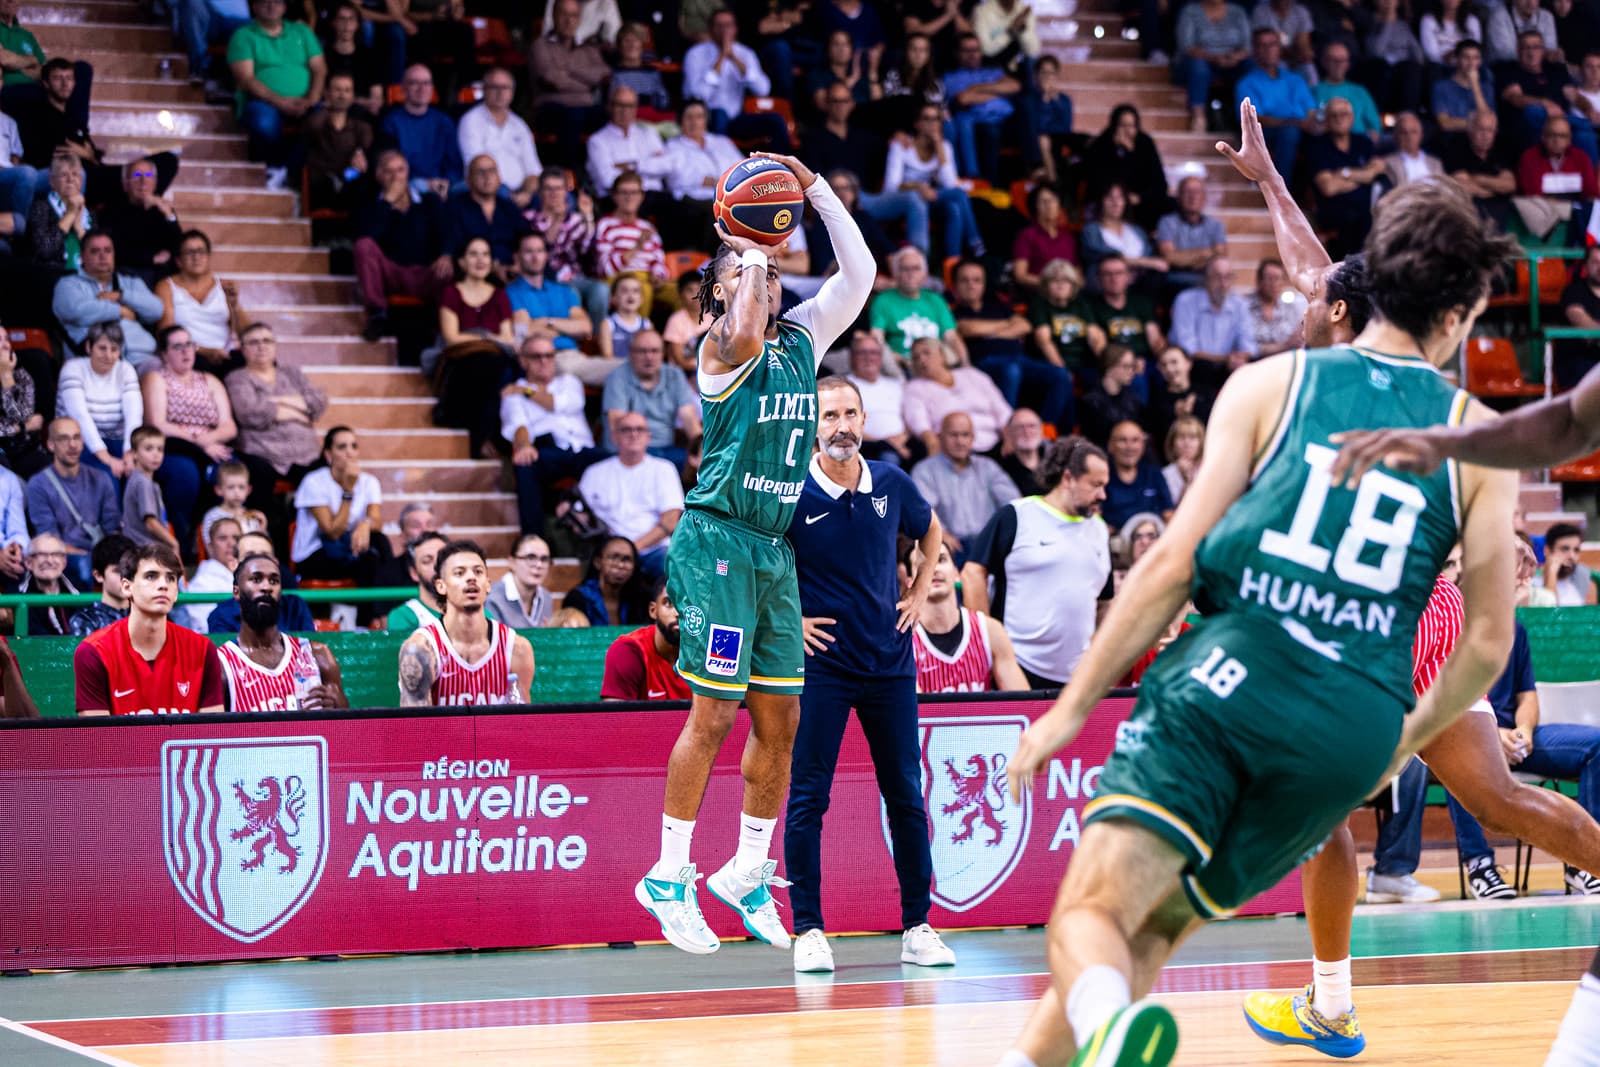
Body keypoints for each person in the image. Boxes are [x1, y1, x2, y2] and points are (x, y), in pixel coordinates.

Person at [995, 177, 1519, 1067]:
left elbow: (1167, 565)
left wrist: (1070, 706)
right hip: (1353, 728)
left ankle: (1113, 1024)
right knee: (1150, 932)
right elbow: (1489, 644)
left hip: (1235, 682)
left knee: (1092, 913)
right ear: (1464, 310)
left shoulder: (1272, 383)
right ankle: (1093, 1028)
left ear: (1370, 282)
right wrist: (1399, 743)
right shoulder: (1483, 438)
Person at [640, 151, 872, 957]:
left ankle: (744, 870)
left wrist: (813, 188)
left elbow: (861, 270)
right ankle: (668, 874)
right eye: (746, 278)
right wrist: (751, 249)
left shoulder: (802, 337)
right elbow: (740, 321)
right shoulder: (718, 348)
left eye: (771, 280)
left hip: (773, 550)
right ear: (719, 289)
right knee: (715, 712)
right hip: (717, 544)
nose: (765, 289)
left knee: (783, 719)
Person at [784, 374, 951, 974]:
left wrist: (917, 585)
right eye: (830, 416)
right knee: (809, 797)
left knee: (906, 794)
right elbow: (755, 563)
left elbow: (930, 530)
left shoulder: (894, 482)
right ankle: (807, 930)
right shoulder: (788, 490)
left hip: (889, 662)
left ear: (864, 419)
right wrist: (789, 621)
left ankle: (918, 926)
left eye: (850, 414)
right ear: (811, 425)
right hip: (821, 667)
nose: (842, 427)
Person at [1447, 611, 1600, 896]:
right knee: (1458, 756)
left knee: (1596, 745)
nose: (1525, 573)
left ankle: (1584, 864)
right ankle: (1480, 866)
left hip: (1516, 736)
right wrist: (1492, 735)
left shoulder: (1515, 629)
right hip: (1470, 733)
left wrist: (1523, 731)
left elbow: (1527, 695)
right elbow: (1445, 701)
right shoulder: (1447, 626)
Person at [960, 435, 1111, 691]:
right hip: (1016, 666)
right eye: (1095, 485)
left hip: (1077, 676)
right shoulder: (1018, 515)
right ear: (1068, 478)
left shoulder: (1099, 529)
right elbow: (973, 573)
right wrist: (988, 646)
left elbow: (1105, 601)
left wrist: (1097, 655)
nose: (1103, 495)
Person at [74, 543, 226, 716]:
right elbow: (98, 738)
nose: (163, 585)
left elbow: (211, 731)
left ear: (176, 592)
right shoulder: (94, 652)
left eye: (170, 578)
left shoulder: (203, 650)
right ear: (126, 587)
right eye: (151, 576)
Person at [141, 326, 248, 553]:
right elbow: (157, 422)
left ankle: (235, 542)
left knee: (241, 472)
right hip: (174, 444)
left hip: (212, 444)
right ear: (164, 353)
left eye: (189, 345)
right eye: (177, 347)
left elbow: (229, 426)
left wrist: (208, 440)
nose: (186, 352)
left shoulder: (209, 380)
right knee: (185, 475)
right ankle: (184, 540)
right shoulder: (157, 378)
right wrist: (199, 442)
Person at [398, 539, 535, 706]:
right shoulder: (421, 649)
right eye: (459, 573)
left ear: (488, 585)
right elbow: (416, 727)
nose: (471, 578)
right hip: (441, 733)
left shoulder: (516, 648)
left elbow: (522, 723)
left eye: (478, 572)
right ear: (441, 586)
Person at [503, 334, 609, 535]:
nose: (544, 361)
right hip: (550, 451)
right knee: (525, 464)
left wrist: (526, 391)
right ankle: (533, 540)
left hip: (583, 450)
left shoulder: (569, 381)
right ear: (523, 361)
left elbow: (557, 404)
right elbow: (518, 425)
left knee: (614, 461)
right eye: (537, 356)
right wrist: (525, 445)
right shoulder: (512, 395)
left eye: (549, 355)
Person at [219, 550, 347, 711]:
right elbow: (213, 733)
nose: (266, 587)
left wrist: (335, 707)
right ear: (236, 592)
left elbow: (346, 725)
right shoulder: (222, 665)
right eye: (256, 579)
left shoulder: (318, 655)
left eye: (274, 581)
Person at [951, 259, 1070, 431]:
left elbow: (1025, 326)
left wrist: (986, 331)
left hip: (1020, 359)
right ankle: (1010, 430)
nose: (971, 285)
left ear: (984, 284)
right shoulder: (952, 312)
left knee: (1060, 374)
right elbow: (966, 328)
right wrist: (1006, 325)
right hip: (983, 364)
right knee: (1011, 370)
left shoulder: (997, 307)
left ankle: (1046, 430)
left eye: (977, 280)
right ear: (955, 285)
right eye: (965, 280)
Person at [431, 235, 516, 456]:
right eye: (474, 254)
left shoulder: (499, 295)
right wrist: (487, 337)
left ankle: (480, 437)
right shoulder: (451, 292)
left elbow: (507, 338)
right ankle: (483, 439)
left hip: (494, 358)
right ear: (461, 261)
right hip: (461, 358)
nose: (481, 260)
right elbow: (452, 337)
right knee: (482, 368)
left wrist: (485, 340)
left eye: (486, 254)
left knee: (494, 368)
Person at [228, 0, 326, 188]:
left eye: (277, 2)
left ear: (284, 7)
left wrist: (312, 99)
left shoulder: (302, 31)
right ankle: (273, 165)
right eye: (265, 1)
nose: (271, 6)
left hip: (305, 101)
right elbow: (246, 79)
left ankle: (288, 170)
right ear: (254, 6)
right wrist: (281, 102)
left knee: (324, 120)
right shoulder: (243, 36)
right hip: (263, 102)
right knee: (264, 123)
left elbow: (320, 69)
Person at [911, 539, 1027, 693]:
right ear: (909, 582)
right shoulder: (904, 642)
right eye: (923, 565)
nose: (933, 569)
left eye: (941, 559)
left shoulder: (991, 631)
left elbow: (1024, 704)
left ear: (956, 573)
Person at [576, 411, 684, 574]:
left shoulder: (664, 469)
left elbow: (670, 521)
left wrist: (631, 550)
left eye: (639, 429)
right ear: (614, 437)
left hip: (653, 551)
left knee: (670, 562)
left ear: (648, 436)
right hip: (607, 553)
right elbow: (579, 516)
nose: (634, 434)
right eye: (626, 429)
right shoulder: (594, 473)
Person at [291, 426, 394, 598]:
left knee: (380, 541)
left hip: (351, 547)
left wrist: (365, 524)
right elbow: (332, 532)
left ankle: (384, 612)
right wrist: (348, 491)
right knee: (369, 561)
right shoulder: (313, 482)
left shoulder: (370, 482)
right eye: (342, 447)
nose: (350, 452)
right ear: (328, 454)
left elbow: (376, 520)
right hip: (316, 553)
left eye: (354, 446)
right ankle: (365, 621)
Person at [225, 322, 328, 488]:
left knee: (327, 476)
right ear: (243, 349)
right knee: (258, 473)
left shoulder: (291, 373)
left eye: (267, 341)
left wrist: (278, 401)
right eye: (254, 342)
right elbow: (248, 412)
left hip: (307, 453)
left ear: (274, 346)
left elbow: (317, 402)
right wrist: (297, 411)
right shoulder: (238, 378)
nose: (261, 347)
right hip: (263, 453)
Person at [911, 411, 1019, 564]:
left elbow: (1013, 502)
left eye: (965, 435)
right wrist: (941, 533)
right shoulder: (925, 471)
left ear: (973, 438)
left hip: (988, 542)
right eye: (954, 435)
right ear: (940, 437)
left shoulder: (987, 467)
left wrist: (1002, 534)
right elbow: (923, 511)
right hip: (952, 547)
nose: (960, 441)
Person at [883, 102, 985, 261]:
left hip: (934, 200)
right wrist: (918, 187)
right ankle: (975, 241)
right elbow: (891, 187)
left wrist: (939, 146)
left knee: (954, 208)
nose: (932, 124)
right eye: (927, 119)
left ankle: (952, 261)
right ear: (917, 123)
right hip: (908, 202)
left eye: (936, 119)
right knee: (959, 195)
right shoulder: (902, 146)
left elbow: (950, 183)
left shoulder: (945, 147)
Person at [25, 417, 118, 587]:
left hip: (100, 554)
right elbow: (49, 537)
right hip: (62, 556)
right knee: (82, 566)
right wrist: (87, 557)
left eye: (76, 438)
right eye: (64, 439)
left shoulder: (101, 478)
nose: (73, 445)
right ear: (51, 445)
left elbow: (112, 528)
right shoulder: (38, 484)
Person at [52, 230, 164, 372]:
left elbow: (157, 310)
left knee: (161, 374)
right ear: (82, 257)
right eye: (95, 251)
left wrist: (120, 296)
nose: (103, 256)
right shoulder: (68, 284)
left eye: (107, 250)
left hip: (140, 357)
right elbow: (75, 310)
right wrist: (120, 311)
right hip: (93, 363)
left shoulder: (130, 282)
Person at [682, 10, 790, 149]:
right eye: (719, 26)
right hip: (706, 117)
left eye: (728, 25)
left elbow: (763, 89)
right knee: (719, 115)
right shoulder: (695, 54)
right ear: (711, 29)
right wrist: (721, 58)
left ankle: (783, 168)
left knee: (775, 121)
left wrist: (734, 59)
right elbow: (696, 96)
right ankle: (719, 166)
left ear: (735, 29)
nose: (724, 30)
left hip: (736, 118)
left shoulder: (745, 53)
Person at [56, 321, 142, 481]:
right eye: (102, 348)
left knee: (139, 474)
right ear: (89, 347)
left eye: (114, 349)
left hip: (118, 440)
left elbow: (134, 415)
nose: (108, 356)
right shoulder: (72, 369)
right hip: (80, 442)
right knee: (106, 478)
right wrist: (108, 459)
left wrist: (129, 453)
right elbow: (80, 417)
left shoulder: (126, 369)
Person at [528, 0, 610, 168]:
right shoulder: (540, 45)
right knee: (573, 115)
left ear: (579, 19)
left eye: (573, 16)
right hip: (550, 109)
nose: (569, 20)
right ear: (554, 16)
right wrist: (586, 81)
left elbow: (602, 75)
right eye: (564, 15)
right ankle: (568, 173)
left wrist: (568, 70)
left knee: (612, 116)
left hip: (585, 110)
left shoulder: (588, 48)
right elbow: (552, 80)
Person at [154, 231, 249, 375]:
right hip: (188, 354)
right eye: (189, 252)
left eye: (201, 251)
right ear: (178, 260)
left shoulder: (223, 286)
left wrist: (235, 305)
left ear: (209, 257)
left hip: (224, 354)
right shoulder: (166, 287)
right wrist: (204, 351)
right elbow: (166, 334)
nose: (196, 257)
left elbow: (246, 333)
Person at [601, 330, 701, 463]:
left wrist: (702, 451)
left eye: (655, 351)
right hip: (629, 452)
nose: (649, 357)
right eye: (642, 351)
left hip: (666, 450)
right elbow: (618, 425)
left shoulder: (674, 375)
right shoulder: (617, 377)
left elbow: (690, 420)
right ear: (630, 353)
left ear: (663, 353)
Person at [902, 338, 1014, 456]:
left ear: (942, 355)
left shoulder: (972, 375)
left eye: (926, 353)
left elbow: (1001, 409)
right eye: (916, 357)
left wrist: (1009, 438)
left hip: (994, 442)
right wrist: (931, 442)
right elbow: (918, 422)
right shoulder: (914, 388)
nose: (922, 360)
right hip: (954, 449)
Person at [456, 68, 543, 210]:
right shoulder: (471, 121)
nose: (500, 92)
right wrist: (511, 195)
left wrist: (527, 193)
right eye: (494, 87)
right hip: (485, 187)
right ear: (484, 90)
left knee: (564, 198)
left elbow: (533, 171)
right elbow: (478, 166)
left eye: (505, 87)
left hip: (521, 191)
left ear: (512, 92)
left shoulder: (519, 125)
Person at [943, 31, 1025, 178]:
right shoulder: (952, 77)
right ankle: (982, 180)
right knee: (986, 130)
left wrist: (977, 88)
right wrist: (997, 90)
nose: (973, 54)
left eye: (976, 50)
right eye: (967, 51)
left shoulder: (992, 71)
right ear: (957, 53)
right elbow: (963, 99)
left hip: (1006, 121)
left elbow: (1015, 86)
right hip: (978, 123)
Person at [870, 246, 968, 369]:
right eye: (904, 268)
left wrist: (966, 367)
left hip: (939, 364)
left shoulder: (936, 300)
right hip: (902, 365)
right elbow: (877, 338)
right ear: (895, 274)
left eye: (916, 268)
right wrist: (899, 360)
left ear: (925, 274)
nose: (910, 274)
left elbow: (952, 338)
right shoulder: (883, 300)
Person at [601, 574, 693, 701]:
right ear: (653, 611)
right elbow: (615, 719)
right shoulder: (628, 651)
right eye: (669, 603)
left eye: (687, 605)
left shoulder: (710, 653)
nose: (678, 613)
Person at [1080, 105, 1172, 231]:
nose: (1127, 131)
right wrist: (1117, 154)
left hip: (1140, 200)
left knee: (1169, 204)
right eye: (1123, 126)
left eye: (1132, 126)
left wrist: (1139, 197)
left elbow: (1160, 183)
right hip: (1110, 200)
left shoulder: (1145, 143)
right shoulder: (1102, 144)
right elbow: (1098, 181)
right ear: (1114, 126)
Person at [206, 529, 314, 633]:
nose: (259, 562)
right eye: (250, 556)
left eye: (265, 556)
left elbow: (308, 648)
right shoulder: (220, 616)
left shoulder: (295, 607)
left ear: (276, 563)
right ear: (234, 564)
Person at [380, 63, 462, 199]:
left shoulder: (444, 121)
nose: (421, 89)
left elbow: (454, 164)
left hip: (442, 186)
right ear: (404, 89)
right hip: (407, 186)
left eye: (426, 83)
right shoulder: (392, 122)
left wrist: (445, 182)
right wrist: (426, 184)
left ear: (432, 88)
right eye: (414, 83)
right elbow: (390, 165)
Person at [585, 86, 673, 207]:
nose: (625, 111)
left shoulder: (648, 134)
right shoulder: (597, 141)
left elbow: (667, 167)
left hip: (654, 196)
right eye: (620, 105)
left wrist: (631, 165)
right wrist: (649, 166)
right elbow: (607, 179)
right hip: (617, 199)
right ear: (610, 107)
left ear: (636, 108)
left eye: (630, 106)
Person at [1514, 114, 1597, 242]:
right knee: (1523, 202)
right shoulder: (1530, 157)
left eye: (1562, 136)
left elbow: (1590, 191)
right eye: (1552, 135)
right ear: (1543, 136)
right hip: (1542, 206)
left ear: (1569, 139)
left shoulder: (1581, 157)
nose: (1557, 140)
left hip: (1573, 209)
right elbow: (1531, 191)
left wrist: (1560, 203)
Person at [1175, 0, 1252, 132]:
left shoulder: (1237, 12)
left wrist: (1234, 57)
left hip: (1232, 62)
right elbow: (1186, 47)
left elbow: (1247, 47)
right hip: (1201, 61)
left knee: (1251, 66)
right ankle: (1199, 117)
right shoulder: (1191, 11)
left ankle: (1248, 119)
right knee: (1199, 68)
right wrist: (1214, 58)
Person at [441, 155, 529, 271]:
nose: (487, 177)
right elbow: (452, 246)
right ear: (469, 179)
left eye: (492, 171)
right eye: (480, 172)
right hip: (471, 273)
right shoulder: (455, 207)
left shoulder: (509, 207)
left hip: (509, 273)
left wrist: (518, 263)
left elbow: (525, 238)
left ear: (499, 178)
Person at [98, 159, 182, 280]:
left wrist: (169, 215)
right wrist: (151, 258)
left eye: (148, 175)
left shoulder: (162, 209)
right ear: (125, 184)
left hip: (161, 275)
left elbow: (179, 245)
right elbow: (113, 249)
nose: (143, 181)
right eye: (136, 175)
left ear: (155, 182)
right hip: (127, 274)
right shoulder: (111, 211)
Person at [1081, 186, 1166, 295]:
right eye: (1109, 198)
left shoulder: (1136, 230)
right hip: (1105, 284)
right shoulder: (1091, 230)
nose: (1115, 203)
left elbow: (1149, 254)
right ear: (1101, 202)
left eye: (1120, 198)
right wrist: (1144, 262)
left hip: (1140, 283)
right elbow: (1106, 255)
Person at [1444, 107, 1518, 231]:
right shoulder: (1456, 148)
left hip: (1499, 208)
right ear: (1470, 129)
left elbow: (1509, 185)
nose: (1485, 135)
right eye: (1481, 129)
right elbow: (1460, 184)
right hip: (1470, 207)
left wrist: (1478, 179)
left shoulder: (1502, 148)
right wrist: (1493, 187)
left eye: (1490, 130)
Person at [1029, 259, 1102, 382]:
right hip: (1051, 363)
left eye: (1066, 280)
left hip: (1083, 362)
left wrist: (1108, 366)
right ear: (1046, 285)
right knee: (1061, 378)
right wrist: (1063, 369)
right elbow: (1044, 341)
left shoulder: (1080, 304)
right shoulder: (1039, 305)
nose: (1060, 285)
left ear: (1073, 285)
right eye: (1054, 280)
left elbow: (1095, 337)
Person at [1155, 176, 1228, 292]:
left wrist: (1183, 258)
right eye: (1187, 192)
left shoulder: (1216, 225)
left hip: (1208, 281)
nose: (1192, 197)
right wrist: (1205, 254)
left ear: (1204, 198)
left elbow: (1220, 255)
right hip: (1175, 283)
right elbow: (1169, 257)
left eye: (1197, 192)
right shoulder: (1167, 222)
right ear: (1178, 197)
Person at [1101, 419, 1175, 529]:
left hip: (1154, 538)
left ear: (1143, 445)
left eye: (1135, 440)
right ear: (1110, 445)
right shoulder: (1102, 477)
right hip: (1115, 540)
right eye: (1122, 440)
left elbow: (1168, 512)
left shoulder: (1154, 474)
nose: (1129, 447)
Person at [564, 534, 649, 626]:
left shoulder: (641, 599)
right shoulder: (578, 598)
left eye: (627, 559)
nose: (620, 565)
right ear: (598, 562)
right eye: (613, 557)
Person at [1359, 0, 1426, 116]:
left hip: (1404, 67)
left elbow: (1417, 54)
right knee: (1380, 66)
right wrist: (1388, 23)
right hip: (1381, 67)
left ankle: (1408, 116)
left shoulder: (1403, 25)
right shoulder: (1370, 23)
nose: (1388, 2)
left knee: (1412, 69)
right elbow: (1376, 52)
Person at [5, 531, 77, 635]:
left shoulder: (78, 588)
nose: (49, 560)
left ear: (64, 562)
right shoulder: (15, 594)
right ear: (28, 563)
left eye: (55, 554)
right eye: (42, 555)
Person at [121, 425, 179, 552]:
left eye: (160, 449)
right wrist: (173, 543)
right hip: (144, 549)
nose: (156, 454)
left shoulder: (142, 481)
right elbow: (150, 523)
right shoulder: (142, 482)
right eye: (149, 449)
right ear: (134, 454)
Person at [1011, 186, 1077, 295]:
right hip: (1039, 294)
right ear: (1035, 207)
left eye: (1053, 200)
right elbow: (1020, 275)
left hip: (1068, 295)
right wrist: (1052, 285)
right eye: (1044, 201)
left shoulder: (1068, 238)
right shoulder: (1027, 235)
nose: (1049, 205)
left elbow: (1077, 271)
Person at [68, 532, 135, 636]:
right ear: (98, 575)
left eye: (129, 569)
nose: (125, 577)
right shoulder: (85, 620)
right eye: (117, 571)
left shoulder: (148, 614)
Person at [1080, 344, 1147, 448]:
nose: (1131, 371)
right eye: (1126, 366)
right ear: (1109, 366)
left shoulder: (1133, 400)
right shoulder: (1090, 402)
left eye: (1132, 367)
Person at [1314, 41, 1382, 139]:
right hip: (1327, 144)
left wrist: (1367, 145)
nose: (1339, 64)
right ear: (1324, 62)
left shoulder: (1360, 91)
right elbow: (1315, 126)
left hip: (1359, 143)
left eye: (1343, 60)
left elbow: (1375, 127)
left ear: (1348, 64)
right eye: (1334, 60)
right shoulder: (1315, 92)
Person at [182, 514, 239, 631]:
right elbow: (203, 628)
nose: (231, 543)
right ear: (210, 547)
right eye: (223, 538)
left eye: (236, 538)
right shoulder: (201, 583)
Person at [1243, 258, 1307, 358]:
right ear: (1259, 281)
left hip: (1284, 363)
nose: (1273, 284)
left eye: (1277, 278)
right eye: (1269, 279)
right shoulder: (1245, 306)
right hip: (1253, 363)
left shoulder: (1290, 308)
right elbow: (1246, 347)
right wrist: (1284, 346)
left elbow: (1296, 341)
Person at [486, 532, 554, 628]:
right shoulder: (492, 598)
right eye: (531, 557)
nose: (539, 565)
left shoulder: (546, 598)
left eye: (544, 559)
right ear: (512, 562)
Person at [384, 530, 446, 632]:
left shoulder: (474, 609)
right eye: (427, 561)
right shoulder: (404, 616)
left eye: (442, 558)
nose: (437, 566)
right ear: (414, 573)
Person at [199, 459, 267, 548]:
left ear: (248, 490)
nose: (236, 492)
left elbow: (262, 548)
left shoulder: (252, 517)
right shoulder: (212, 516)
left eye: (241, 487)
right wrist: (236, 524)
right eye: (231, 487)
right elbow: (211, 550)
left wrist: (263, 526)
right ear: (219, 490)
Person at [1432, 38, 1494, 133]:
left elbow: (1489, 123)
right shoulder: (1441, 87)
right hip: (1453, 139)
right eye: (1466, 57)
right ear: (1457, 59)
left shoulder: (1486, 88)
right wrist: (1477, 123)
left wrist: (1475, 86)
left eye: (1475, 58)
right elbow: (1444, 123)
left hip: (1480, 138)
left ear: (1480, 61)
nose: (1471, 63)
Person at [1539, 522, 1597, 605]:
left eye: (1576, 550)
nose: (1571, 556)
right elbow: (1550, 612)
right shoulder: (1530, 581)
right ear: (1547, 550)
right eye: (1564, 549)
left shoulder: (1584, 577)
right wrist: (1551, 572)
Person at [1486, 0, 1561, 65]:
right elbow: (1504, 53)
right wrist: (1541, 54)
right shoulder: (1499, 17)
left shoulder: (1546, 16)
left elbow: (1550, 48)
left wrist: (1552, 55)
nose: (1531, 3)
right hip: (1507, 67)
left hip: (1540, 67)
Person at [1381, 111, 1443, 190]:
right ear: (1395, 136)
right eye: (1404, 133)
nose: (1409, 137)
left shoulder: (1435, 163)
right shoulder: (1388, 163)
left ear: (1421, 134)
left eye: (1414, 132)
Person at [1161, 415, 1206, 506]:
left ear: (1200, 443)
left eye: (1192, 437)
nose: (1187, 443)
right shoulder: (1165, 474)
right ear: (1173, 444)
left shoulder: (1209, 470)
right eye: (1181, 437)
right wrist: (1187, 481)